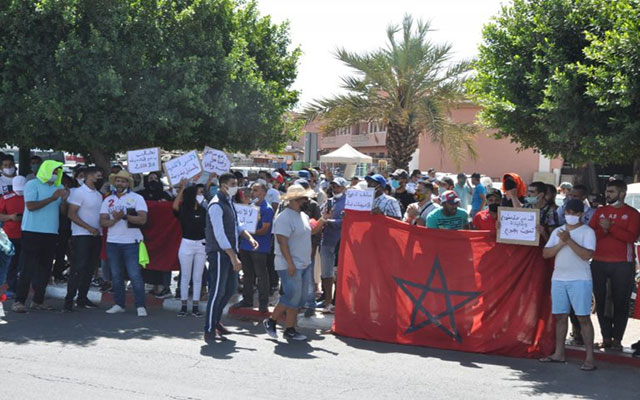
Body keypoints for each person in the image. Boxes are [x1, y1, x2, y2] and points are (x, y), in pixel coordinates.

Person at [263, 184, 325, 341]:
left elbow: (312, 231)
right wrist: (290, 263)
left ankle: (290, 329)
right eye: (305, 198)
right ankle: (271, 321)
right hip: (289, 264)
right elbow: (281, 242)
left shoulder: (303, 216)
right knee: (292, 295)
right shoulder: (283, 218)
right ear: (296, 200)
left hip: (303, 263)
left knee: (299, 298)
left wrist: (323, 219)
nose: (307, 201)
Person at [541, 199, 597, 371]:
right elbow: (546, 253)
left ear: (581, 214)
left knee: (583, 318)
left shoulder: (588, 232)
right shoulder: (558, 231)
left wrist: (569, 241)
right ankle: (559, 353)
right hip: (559, 279)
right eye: (567, 212)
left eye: (573, 213)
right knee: (560, 316)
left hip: (580, 279)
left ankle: (590, 358)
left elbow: (586, 255)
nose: (569, 216)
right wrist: (561, 242)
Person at [204, 173, 259, 342]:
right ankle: (209, 328)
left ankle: (216, 320)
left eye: (237, 183)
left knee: (230, 289)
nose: (236, 186)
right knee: (217, 292)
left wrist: (248, 237)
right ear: (223, 185)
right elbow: (219, 235)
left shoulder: (228, 202)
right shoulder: (216, 205)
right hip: (220, 254)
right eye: (233, 183)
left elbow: (236, 224)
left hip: (229, 253)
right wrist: (233, 257)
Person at [588, 180, 640, 351]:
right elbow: (590, 235)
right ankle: (606, 337)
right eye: (607, 191)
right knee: (601, 301)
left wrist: (611, 228)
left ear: (622, 193)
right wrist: (603, 230)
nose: (607, 194)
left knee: (620, 302)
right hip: (599, 262)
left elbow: (631, 237)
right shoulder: (601, 212)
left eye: (611, 191)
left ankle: (617, 338)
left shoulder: (632, 213)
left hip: (623, 264)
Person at [11, 161, 68, 313]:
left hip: (51, 232)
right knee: (27, 268)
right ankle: (19, 301)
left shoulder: (59, 187)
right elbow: (30, 206)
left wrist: (63, 201)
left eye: (57, 172)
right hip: (31, 231)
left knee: (45, 269)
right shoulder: (32, 184)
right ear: (46, 170)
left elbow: (62, 212)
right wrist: (51, 198)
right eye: (53, 171)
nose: (55, 174)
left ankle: (38, 300)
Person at [100, 170, 149, 317]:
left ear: (128, 183)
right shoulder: (108, 200)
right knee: (116, 275)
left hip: (131, 242)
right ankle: (119, 304)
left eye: (123, 181)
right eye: (118, 181)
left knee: (135, 275)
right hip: (113, 242)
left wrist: (125, 216)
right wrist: (115, 219)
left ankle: (140, 306)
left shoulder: (137, 198)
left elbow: (142, 219)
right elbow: (103, 221)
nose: (119, 183)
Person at [63, 167, 104, 312]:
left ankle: (82, 297)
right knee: (78, 268)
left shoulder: (98, 195)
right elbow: (71, 214)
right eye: (97, 176)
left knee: (90, 268)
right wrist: (88, 227)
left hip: (96, 235)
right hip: (81, 235)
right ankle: (69, 300)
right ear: (89, 177)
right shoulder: (79, 193)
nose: (99, 179)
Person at [233, 181, 274, 313]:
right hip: (245, 246)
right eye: (252, 190)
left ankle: (263, 303)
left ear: (263, 192)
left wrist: (248, 232)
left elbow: (264, 229)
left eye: (256, 190)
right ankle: (247, 299)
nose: (252, 193)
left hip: (259, 247)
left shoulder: (267, 209)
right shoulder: (249, 207)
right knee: (247, 275)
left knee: (261, 275)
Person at [173, 179, 207, 317]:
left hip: (201, 244)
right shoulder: (183, 209)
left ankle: (195, 306)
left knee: (197, 277)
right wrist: (182, 188)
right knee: (185, 276)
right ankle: (183, 305)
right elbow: (174, 206)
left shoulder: (203, 209)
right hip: (186, 243)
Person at [318, 177, 347, 314]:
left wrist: (330, 221)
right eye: (334, 186)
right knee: (325, 273)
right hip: (326, 241)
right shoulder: (328, 202)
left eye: (338, 187)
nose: (335, 189)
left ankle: (337, 301)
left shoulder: (348, 202)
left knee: (338, 273)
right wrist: (324, 219)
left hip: (340, 242)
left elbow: (345, 222)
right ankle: (327, 300)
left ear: (344, 188)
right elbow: (321, 217)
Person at [0, 176, 25, 298]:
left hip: (26, 234)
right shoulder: (5, 198)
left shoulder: (30, 197)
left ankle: (22, 289)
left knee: (24, 264)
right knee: (11, 264)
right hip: (10, 235)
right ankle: (11, 288)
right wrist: (10, 217)